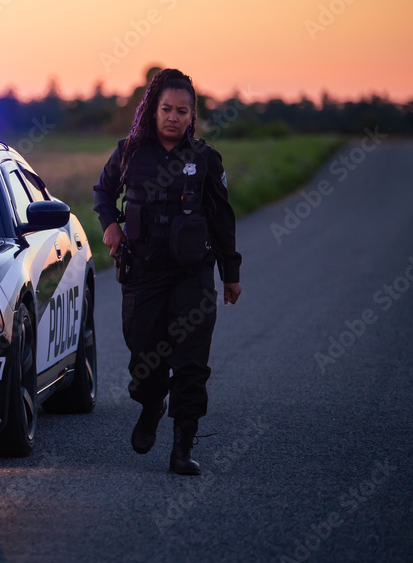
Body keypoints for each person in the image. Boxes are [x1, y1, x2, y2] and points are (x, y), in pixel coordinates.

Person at [93, 68, 242, 475]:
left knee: (192, 361)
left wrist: (231, 272)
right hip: (142, 273)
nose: (173, 117)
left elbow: (222, 217)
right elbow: (103, 192)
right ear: (152, 110)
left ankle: (182, 448)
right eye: (166, 109)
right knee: (144, 358)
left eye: (182, 111)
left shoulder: (205, 159)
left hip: (192, 275)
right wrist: (110, 225)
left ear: (192, 115)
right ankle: (151, 403)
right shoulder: (129, 153)